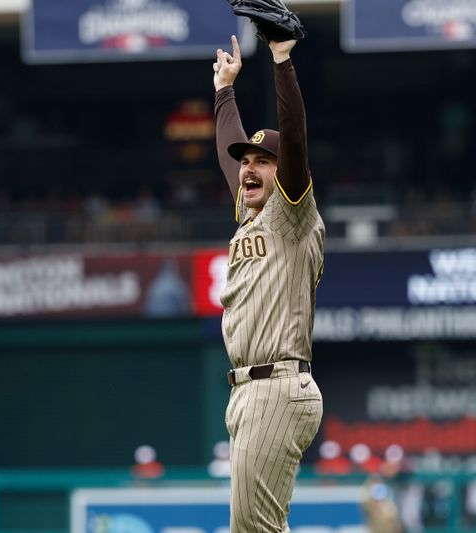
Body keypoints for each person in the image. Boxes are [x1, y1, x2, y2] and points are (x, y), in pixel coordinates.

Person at [213, 34, 325, 533]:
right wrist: (224, 92)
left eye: (261, 161)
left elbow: (295, 139)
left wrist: (282, 62)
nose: (248, 168)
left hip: (277, 384)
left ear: (283, 177)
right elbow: (227, 156)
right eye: (246, 161)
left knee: (254, 529)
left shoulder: (291, 214)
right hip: (249, 390)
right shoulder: (250, 217)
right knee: (255, 528)